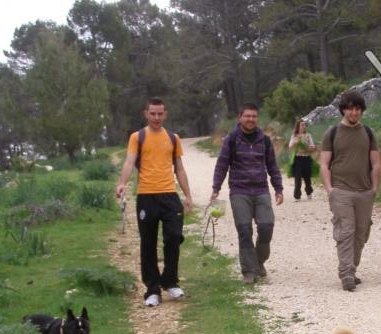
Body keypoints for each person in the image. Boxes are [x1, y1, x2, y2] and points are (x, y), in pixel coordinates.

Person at [115, 97, 193, 307]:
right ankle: (152, 289)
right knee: (148, 243)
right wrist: (122, 183)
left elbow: (179, 168)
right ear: (146, 114)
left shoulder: (173, 138)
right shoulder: (137, 137)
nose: (156, 117)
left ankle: (170, 281)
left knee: (174, 237)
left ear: (165, 114)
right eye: (153, 113)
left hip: (169, 195)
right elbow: (129, 161)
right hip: (146, 196)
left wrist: (187, 194)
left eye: (160, 114)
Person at [211, 103, 284, 284]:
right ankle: (249, 272)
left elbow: (272, 166)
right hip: (239, 191)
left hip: (261, 190)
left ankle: (259, 261)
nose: (250, 119)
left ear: (257, 119)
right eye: (247, 116)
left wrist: (278, 188)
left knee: (266, 228)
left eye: (254, 116)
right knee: (244, 231)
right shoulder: (231, 139)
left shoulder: (265, 141)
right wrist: (216, 188)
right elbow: (222, 165)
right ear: (240, 117)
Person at [319, 90, 380, 292]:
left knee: (361, 232)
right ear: (343, 110)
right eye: (350, 109)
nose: (354, 113)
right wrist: (330, 190)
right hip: (341, 190)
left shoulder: (369, 133)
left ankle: (352, 269)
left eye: (357, 109)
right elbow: (324, 163)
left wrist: (374, 189)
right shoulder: (332, 133)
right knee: (346, 230)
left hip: (364, 191)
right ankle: (345, 273)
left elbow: (375, 162)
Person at [288, 119, 316, 201]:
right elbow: (290, 148)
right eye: (302, 125)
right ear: (298, 126)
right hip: (297, 159)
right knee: (298, 178)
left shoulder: (308, 135)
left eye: (304, 125)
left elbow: (313, 147)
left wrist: (309, 148)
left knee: (307, 178)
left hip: (307, 158)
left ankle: (309, 192)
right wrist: (295, 143)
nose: (304, 126)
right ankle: (297, 196)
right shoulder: (294, 136)